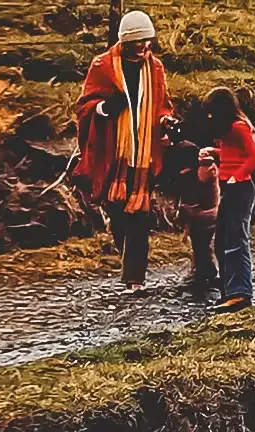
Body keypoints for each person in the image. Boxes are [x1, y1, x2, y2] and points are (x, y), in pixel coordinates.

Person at [73, 10, 175, 293]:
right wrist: (104, 108)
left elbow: (163, 105)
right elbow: (84, 107)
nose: (144, 46)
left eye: (147, 40)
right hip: (112, 155)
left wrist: (166, 122)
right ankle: (129, 265)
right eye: (139, 41)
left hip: (143, 155)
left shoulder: (155, 68)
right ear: (126, 41)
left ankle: (134, 280)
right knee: (117, 213)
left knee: (139, 215)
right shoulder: (102, 66)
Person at [200, 87, 255, 314]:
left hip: (240, 188)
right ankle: (229, 290)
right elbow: (234, 155)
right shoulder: (229, 130)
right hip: (230, 187)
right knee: (222, 241)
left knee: (236, 240)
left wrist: (238, 176)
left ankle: (240, 293)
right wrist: (214, 152)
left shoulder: (238, 127)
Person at [170, 141, 220, 297]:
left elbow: (193, 196)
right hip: (208, 212)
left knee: (201, 246)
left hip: (201, 215)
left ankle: (204, 274)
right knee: (202, 245)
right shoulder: (206, 169)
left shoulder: (195, 174)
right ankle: (203, 272)